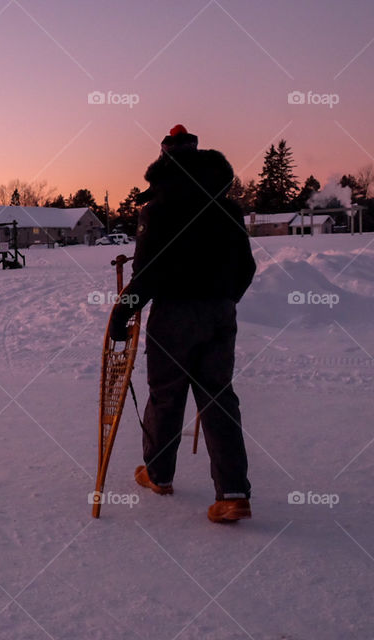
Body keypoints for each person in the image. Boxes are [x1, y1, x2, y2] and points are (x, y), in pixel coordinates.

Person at [109, 125, 257, 523]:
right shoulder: (226, 208)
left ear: (165, 159)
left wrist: (123, 312)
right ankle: (233, 493)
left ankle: (159, 474)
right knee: (218, 396)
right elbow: (247, 267)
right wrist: (224, 299)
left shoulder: (158, 208)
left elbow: (148, 272)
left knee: (167, 393)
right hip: (220, 313)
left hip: (175, 314)